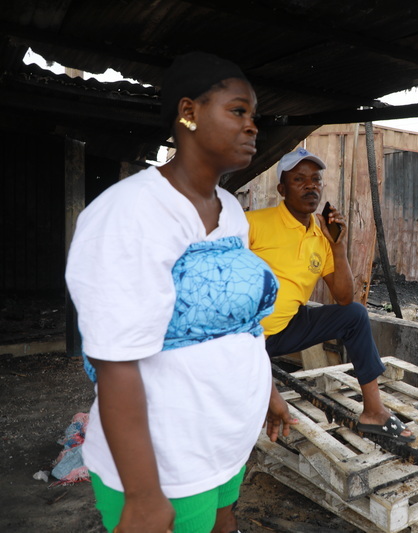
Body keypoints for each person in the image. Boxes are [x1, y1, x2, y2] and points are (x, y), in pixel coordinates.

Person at [65, 52, 296, 533]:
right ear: (188, 112)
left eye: (255, 116)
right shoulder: (129, 213)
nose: (253, 127)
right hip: (165, 459)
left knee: (223, 520)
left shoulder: (231, 211)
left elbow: (243, 322)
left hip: (223, 437)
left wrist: (268, 392)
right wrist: (145, 495)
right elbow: (115, 359)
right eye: (238, 111)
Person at [246, 148, 414, 442]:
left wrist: (337, 245)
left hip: (286, 328)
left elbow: (344, 298)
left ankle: (374, 411)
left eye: (315, 179)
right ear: (282, 189)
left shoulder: (321, 236)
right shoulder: (253, 224)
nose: (310, 185)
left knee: (355, 315)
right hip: (244, 337)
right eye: (299, 179)